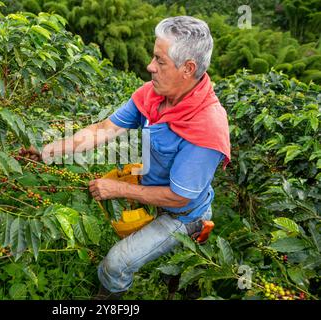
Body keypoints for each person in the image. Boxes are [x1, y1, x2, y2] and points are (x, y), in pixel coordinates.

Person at [34, 16, 231, 299]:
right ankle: (179, 278)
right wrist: (49, 151)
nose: (150, 66)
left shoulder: (207, 128)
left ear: (188, 68)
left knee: (116, 263)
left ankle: (110, 298)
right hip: (153, 191)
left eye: (159, 61)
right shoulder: (153, 94)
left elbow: (179, 198)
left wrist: (118, 189)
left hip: (181, 213)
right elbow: (104, 130)